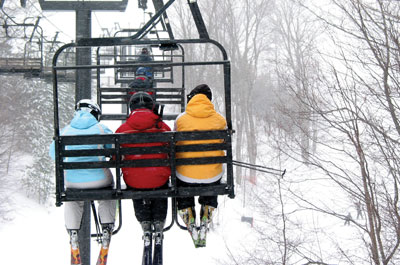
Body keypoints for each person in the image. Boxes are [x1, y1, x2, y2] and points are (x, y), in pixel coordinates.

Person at [49, 99, 116, 265]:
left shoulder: (65, 131)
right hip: (99, 180)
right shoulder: (101, 129)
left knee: (73, 199)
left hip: (73, 182)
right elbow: (115, 148)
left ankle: (73, 231)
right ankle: (106, 227)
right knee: (108, 193)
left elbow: (53, 154)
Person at [115, 92, 171, 250]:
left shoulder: (122, 129)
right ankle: (159, 222)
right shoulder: (162, 127)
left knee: (136, 181)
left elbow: (114, 157)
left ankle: (144, 222)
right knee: (160, 184)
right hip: (159, 179)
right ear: (151, 107)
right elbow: (172, 151)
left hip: (134, 181)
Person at [174, 84, 227, 247]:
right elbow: (224, 142)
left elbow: (174, 144)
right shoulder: (220, 120)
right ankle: (208, 208)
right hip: (212, 176)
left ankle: (186, 210)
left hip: (186, 176)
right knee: (210, 176)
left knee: (183, 181)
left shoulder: (181, 120)